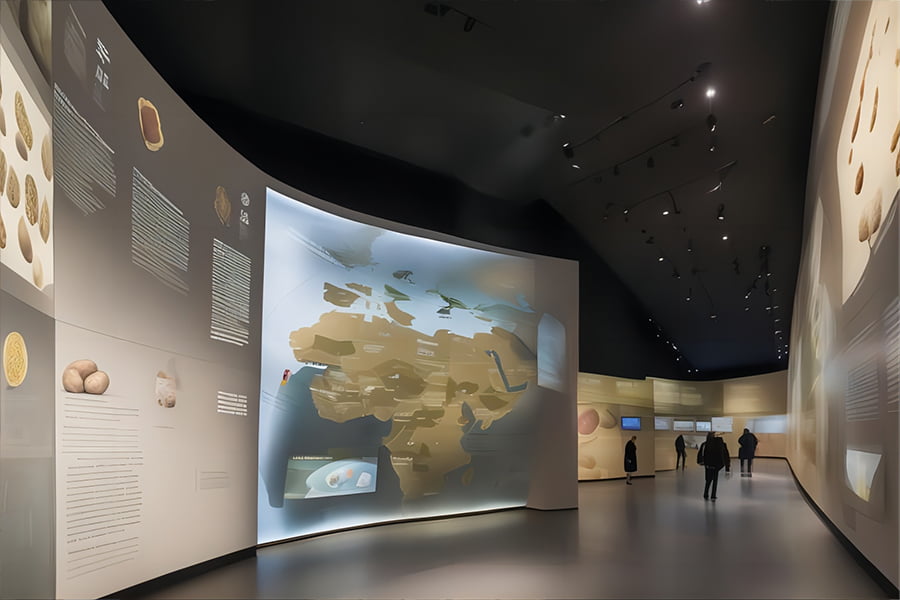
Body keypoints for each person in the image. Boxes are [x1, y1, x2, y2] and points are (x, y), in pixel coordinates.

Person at [697, 432, 729, 500]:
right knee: (715, 480)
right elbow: (725, 455)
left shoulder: (705, 444)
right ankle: (713, 495)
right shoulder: (720, 444)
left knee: (708, 480)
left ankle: (706, 493)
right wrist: (726, 466)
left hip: (708, 465)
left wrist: (702, 462)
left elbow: (701, 454)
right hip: (716, 465)